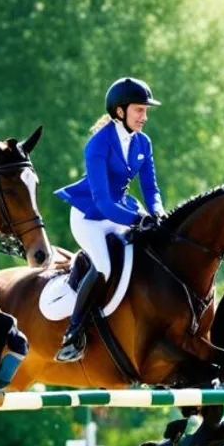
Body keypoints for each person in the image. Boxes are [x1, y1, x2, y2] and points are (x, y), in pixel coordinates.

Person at [52, 77, 166, 362]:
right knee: (103, 264)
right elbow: (102, 201)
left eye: (145, 110)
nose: (144, 116)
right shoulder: (98, 144)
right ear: (120, 112)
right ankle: (73, 332)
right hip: (89, 215)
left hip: (121, 208)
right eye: (139, 110)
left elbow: (151, 188)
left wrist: (157, 212)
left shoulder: (143, 142)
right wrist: (137, 220)